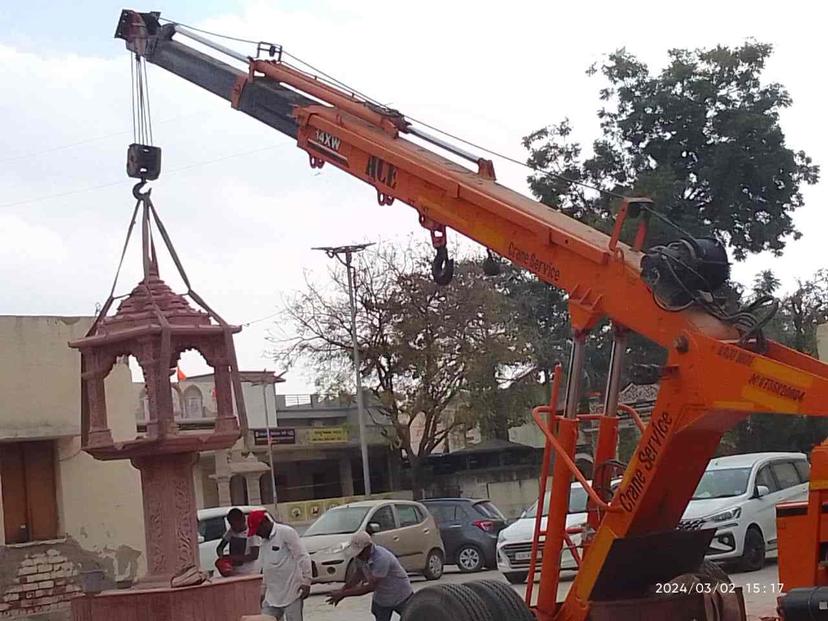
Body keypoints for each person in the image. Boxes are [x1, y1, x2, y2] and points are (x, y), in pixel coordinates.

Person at [326, 532, 414, 621]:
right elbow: (358, 574)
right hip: (382, 599)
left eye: (360, 553)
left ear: (368, 547)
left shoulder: (381, 558)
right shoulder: (360, 557)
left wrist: (343, 594)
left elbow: (371, 587)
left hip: (401, 595)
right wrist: (343, 589)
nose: (358, 556)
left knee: (411, 617)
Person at [248, 509, 312, 621]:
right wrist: (262, 591)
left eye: (258, 530)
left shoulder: (286, 532)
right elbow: (264, 567)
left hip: (291, 592)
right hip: (272, 596)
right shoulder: (263, 541)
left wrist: (307, 581)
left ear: (264, 523)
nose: (258, 534)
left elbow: (303, 556)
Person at [216, 508, 261, 575]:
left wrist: (232, 557)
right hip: (234, 571)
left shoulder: (252, 533)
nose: (232, 527)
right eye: (230, 524)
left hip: (250, 572)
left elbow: (254, 555)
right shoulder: (231, 532)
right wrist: (222, 557)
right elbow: (220, 547)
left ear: (242, 520)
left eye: (234, 524)